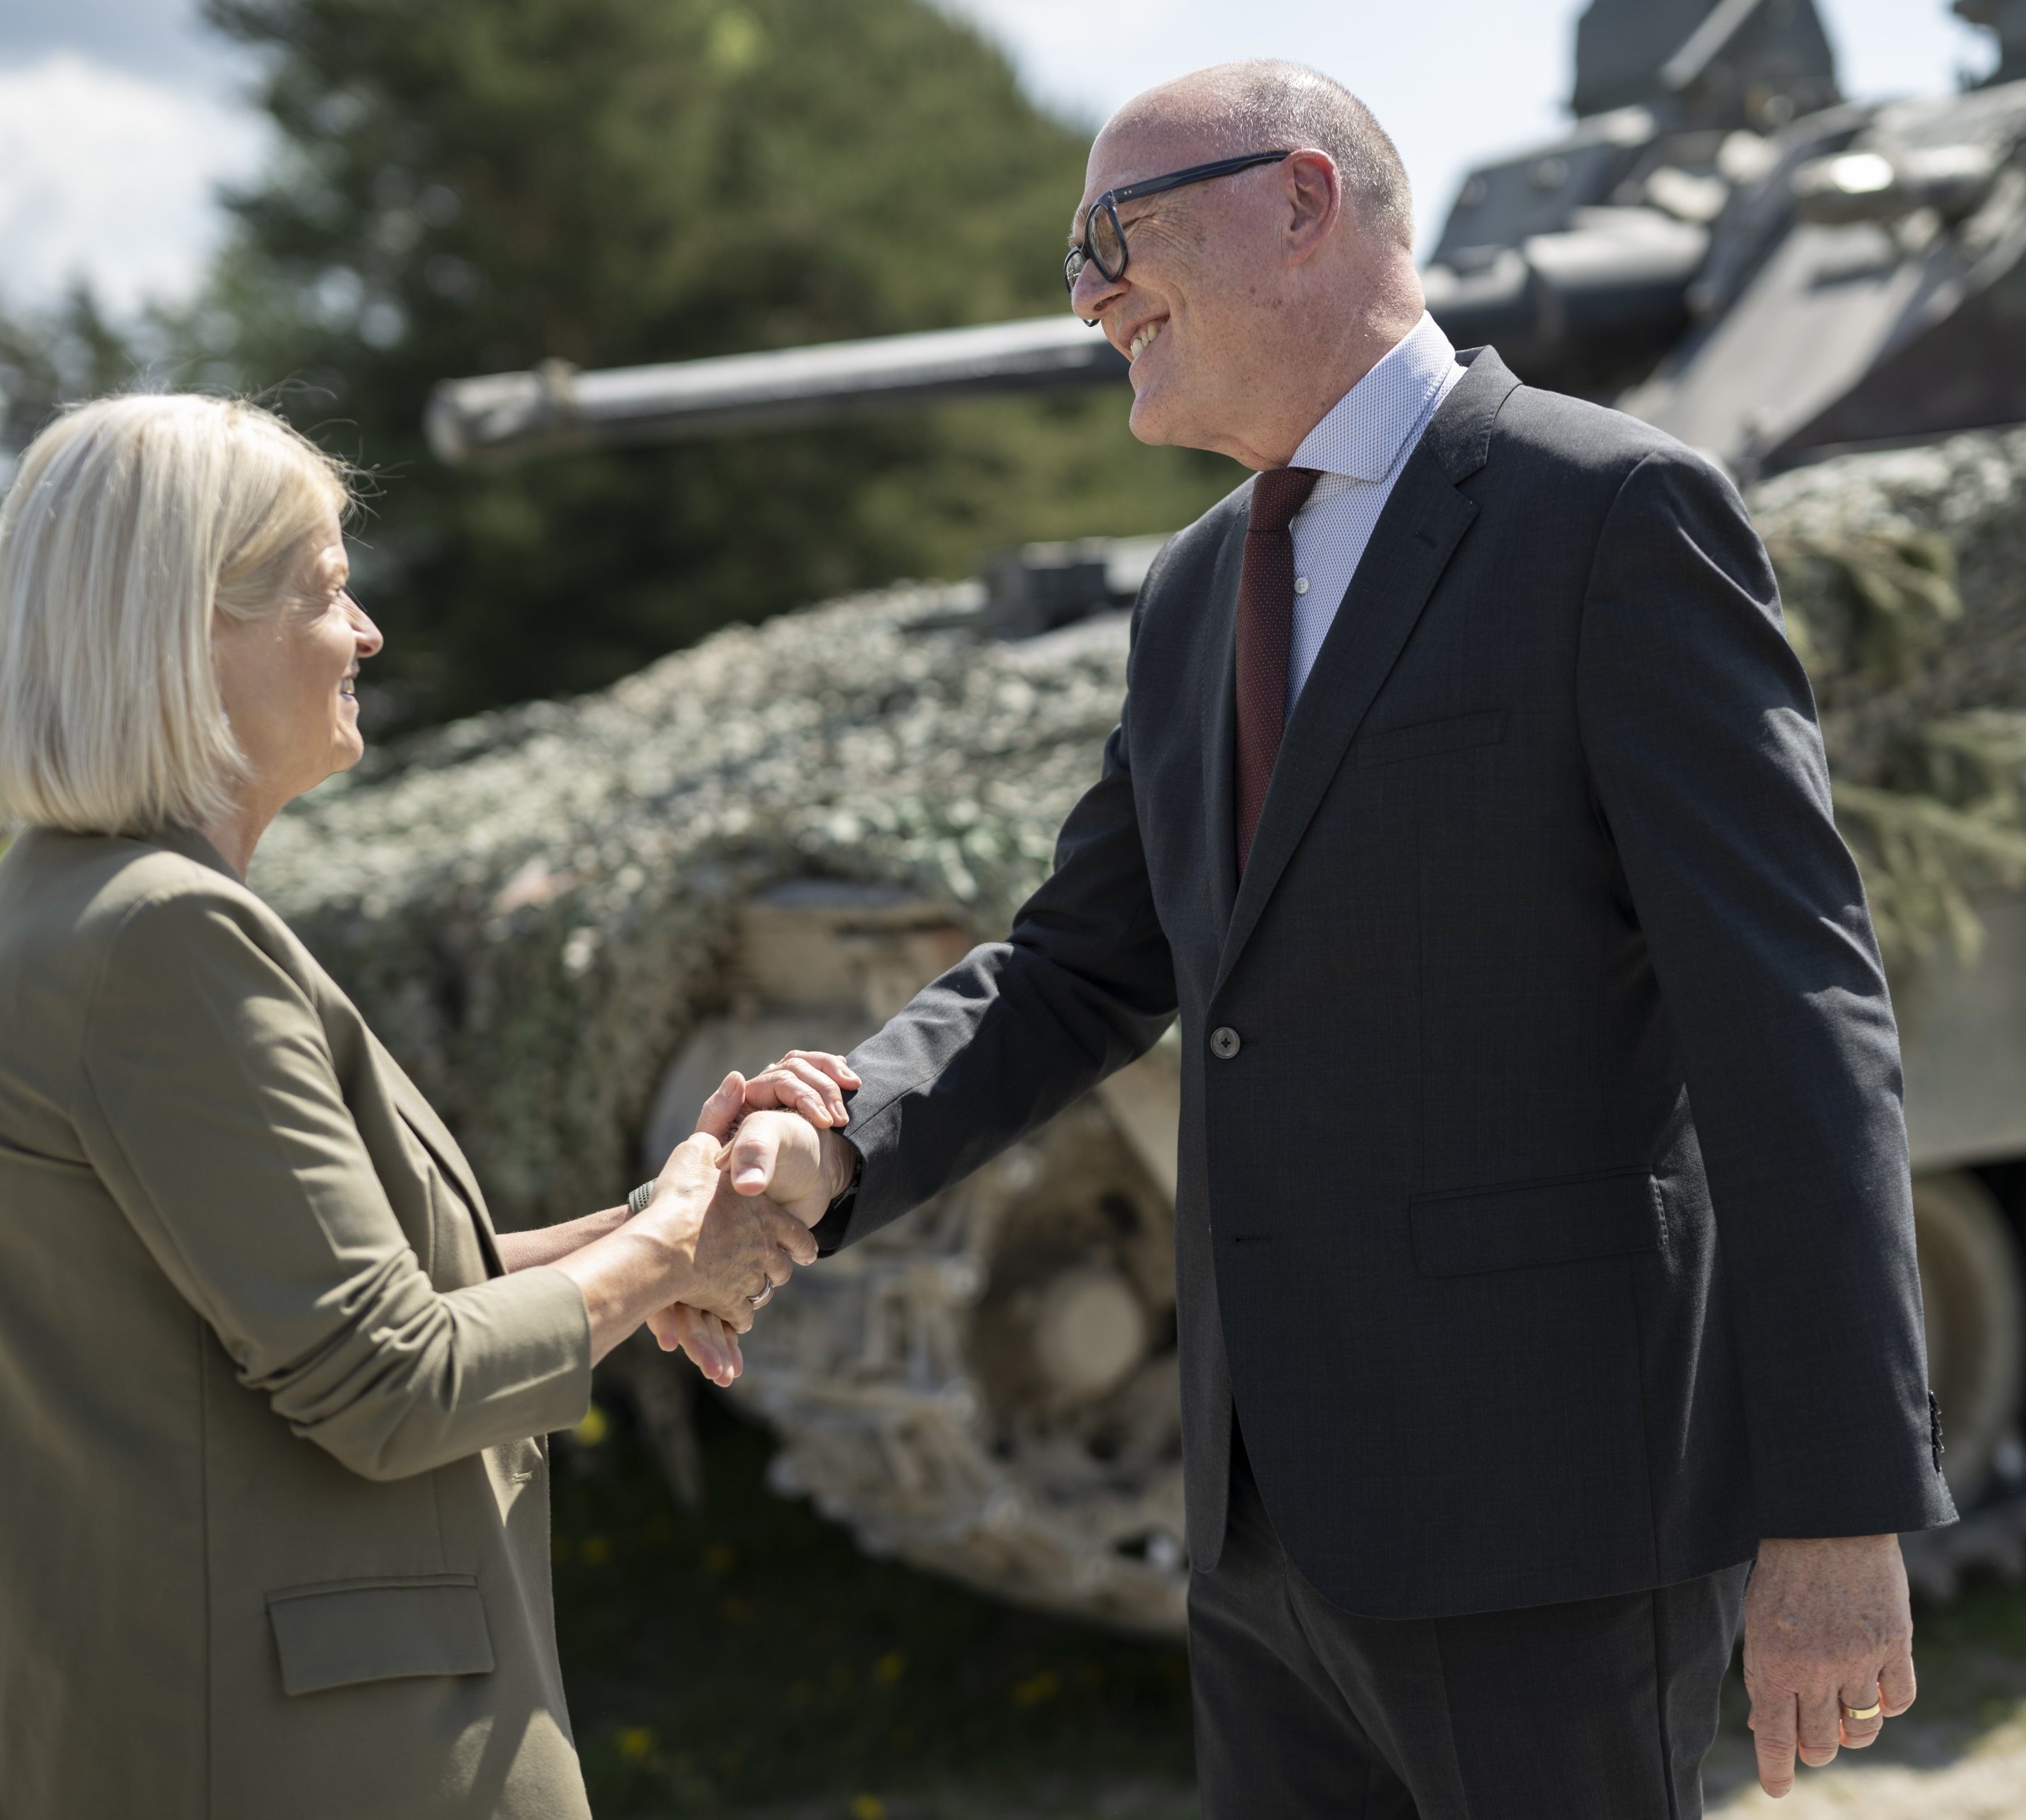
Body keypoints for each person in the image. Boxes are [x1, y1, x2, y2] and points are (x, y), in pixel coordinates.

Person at [716, 60, 1955, 1819]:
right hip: (1260, 1527)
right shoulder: (1193, 592)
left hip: (1546, 1518)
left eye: (1113, 234)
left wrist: (1837, 1505)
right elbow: (1079, 963)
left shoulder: (1609, 514)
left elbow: (1795, 1019)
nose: (1086, 295)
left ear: (1301, 200)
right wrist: (838, 1136)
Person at [0, 394, 812, 1819]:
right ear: (187, 630)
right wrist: (664, 1255)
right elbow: (389, 1381)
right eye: (326, 589)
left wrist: (653, 1222)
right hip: (287, 1754)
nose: (366, 632)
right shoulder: (161, 939)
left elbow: (346, 1297)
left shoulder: (74, 906)